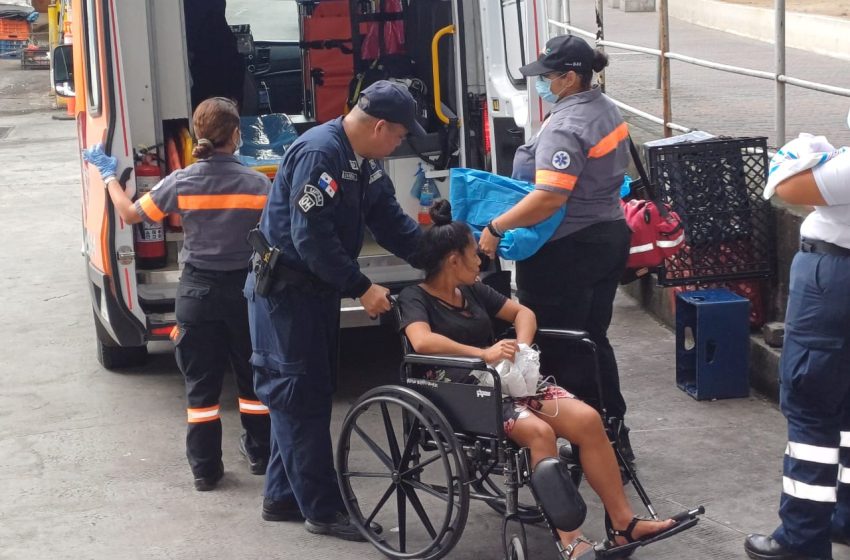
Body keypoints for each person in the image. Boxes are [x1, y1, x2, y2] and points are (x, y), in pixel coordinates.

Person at [398, 200, 678, 559]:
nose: (479, 260)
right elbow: (421, 341)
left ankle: (623, 523)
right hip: (461, 392)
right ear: (453, 260)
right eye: (473, 254)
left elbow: (523, 312)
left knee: (588, 419)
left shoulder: (471, 290)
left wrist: (523, 349)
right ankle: (571, 540)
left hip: (503, 381)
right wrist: (483, 353)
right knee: (539, 433)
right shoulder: (414, 297)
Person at [245, 80, 425, 541]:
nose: (401, 144)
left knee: (308, 394)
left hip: (312, 293)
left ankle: (282, 496)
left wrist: (440, 255)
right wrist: (362, 287)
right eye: (401, 135)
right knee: (298, 398)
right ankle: (324, 511)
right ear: (380, 126)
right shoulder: (321, 154)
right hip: (286, 295)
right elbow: (311, 239)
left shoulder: (362, 161)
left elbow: (389, 221)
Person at [82, 97, 271, 491]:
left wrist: (108, 178)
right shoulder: (258, 184)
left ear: (198, 135)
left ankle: (205, 471)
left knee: (201, 386)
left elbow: (131, 215)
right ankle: (260, 453)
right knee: (253, 379)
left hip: (197, 294)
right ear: (236, 135)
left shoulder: (182, 182)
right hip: (244, 292)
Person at [477, 34, 635, 463]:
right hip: (608, 235)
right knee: (591, 338)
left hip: (568, 249)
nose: (542, 84)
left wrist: (496, 225)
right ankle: (612, 434)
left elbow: (550, 197)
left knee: (556, 345)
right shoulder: (604, 107)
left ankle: (582, 438)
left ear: (569, 78)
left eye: (548, 77)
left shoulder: (566, 125)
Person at [744, 149, 850, 559]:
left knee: (811, 403)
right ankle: (843, 517)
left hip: (834, 277)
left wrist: (808, 159)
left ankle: (801, 540)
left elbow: (788, 187)